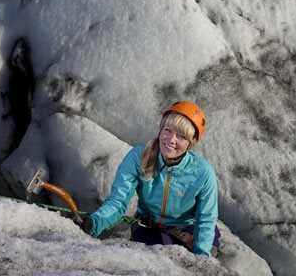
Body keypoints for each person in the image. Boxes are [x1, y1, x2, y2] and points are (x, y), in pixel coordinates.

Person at [78, 101, 220, 257]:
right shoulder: (138, 157)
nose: (171, 140)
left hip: (190, 229)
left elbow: (206, 219)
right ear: (160, 130)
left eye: (181, 136)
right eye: (168, 130)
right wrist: (94, 222)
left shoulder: (203, 172)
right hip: (151, 228)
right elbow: (118, 201)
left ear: (190, 143)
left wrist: (202, 259)